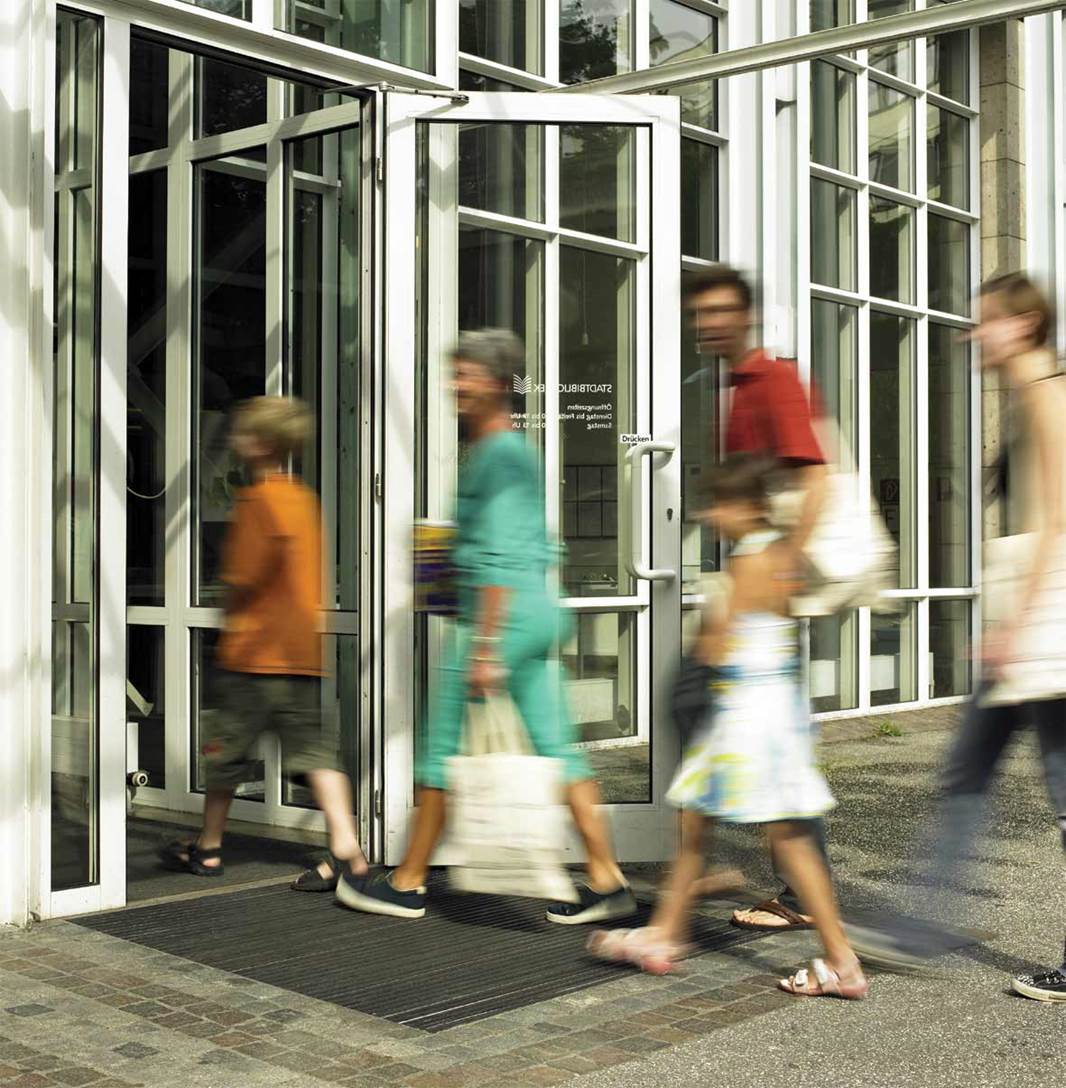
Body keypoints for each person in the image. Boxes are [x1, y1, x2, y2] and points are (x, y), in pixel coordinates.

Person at [337, 328, 637, 924]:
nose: (455, 384)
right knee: (557, 749)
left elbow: (498, 552)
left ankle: (409, 880)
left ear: (497, 384)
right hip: (534, 612)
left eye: (466, 374)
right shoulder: (511, 452)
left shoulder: (499, 454)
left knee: (443, 748)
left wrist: (487, 646)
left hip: (499, 620)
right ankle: (607, 881)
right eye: (453, 373)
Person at [849, 274, 1066, 1001]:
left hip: (1043, 629)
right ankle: (920, 926)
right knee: (967, 771)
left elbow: (1059, 524)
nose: (972, 337)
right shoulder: (1031, 395)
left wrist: (1016, 622)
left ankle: (924, 927)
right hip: (1031, 629)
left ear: (1025, 324)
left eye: (986, 324)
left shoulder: (1048, 394)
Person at [588, 454, 868, 997]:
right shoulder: (786, 555)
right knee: (699, 824)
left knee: (786, 839)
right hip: (774, 710)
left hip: (746, 716)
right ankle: (665, 935)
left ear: (743, 506)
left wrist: (709, 623)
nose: (712, 516)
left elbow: (718, 645)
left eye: (718, 505)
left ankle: (842, 960)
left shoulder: (747, 562)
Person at [158, 396, 368, 890]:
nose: (235, 439)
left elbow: (243, 579)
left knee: (225, 753)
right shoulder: (304, 500)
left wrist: (226, 616)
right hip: (300, 654)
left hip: (252, 655)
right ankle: (348, 850)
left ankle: (208, 848)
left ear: (262, 443)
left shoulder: (256, 501)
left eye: (243, 432)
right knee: (316, 753)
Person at [686, 265, 831, 933]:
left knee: (769, 742)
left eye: (719, 311)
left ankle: (791, 893)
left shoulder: (772, 379)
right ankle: (703, 858)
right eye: (699, 312)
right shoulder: (726, 387)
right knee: (732, 727)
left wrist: (784, 568)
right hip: (750, 583)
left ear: (744, 316)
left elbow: (817, 477)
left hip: (764, 592)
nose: (707, 322)